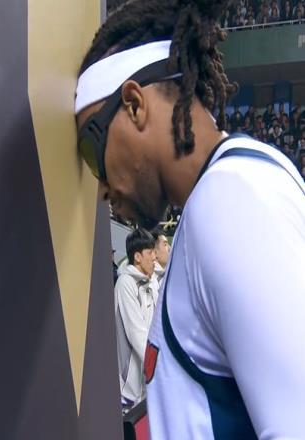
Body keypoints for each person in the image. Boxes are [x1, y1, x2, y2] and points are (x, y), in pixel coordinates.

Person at [74, 0, 305, 438]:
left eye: (91, 148)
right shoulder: (221, 194)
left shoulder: (231, 199)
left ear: (134, 104)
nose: (100, 185)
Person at [114, 227, 159, 408]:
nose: (155, 257)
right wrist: (161, 366)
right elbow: (137, 335)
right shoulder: (125, 284)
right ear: (138, 257)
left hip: (147, 384)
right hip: (128, 390)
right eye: (150, 252)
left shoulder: (152, 281)